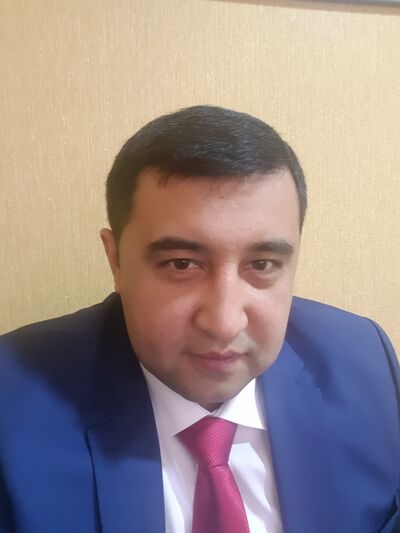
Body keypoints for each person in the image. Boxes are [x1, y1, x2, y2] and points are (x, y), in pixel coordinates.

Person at [0, 105, 398, 533]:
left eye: (262, 264)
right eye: (181, 264)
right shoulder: (13, 399)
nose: (224, 324)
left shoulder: (364, 362)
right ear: (115, 260)